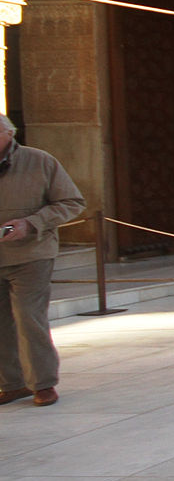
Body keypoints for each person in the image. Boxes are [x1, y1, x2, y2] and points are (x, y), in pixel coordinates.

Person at [0, 115, 86, 407]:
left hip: (31, 255)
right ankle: (11, 384)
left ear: (8, 134)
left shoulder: (40, 161)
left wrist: (31, 223)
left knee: (28, 316)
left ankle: (43, 383)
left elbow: (72, 202)